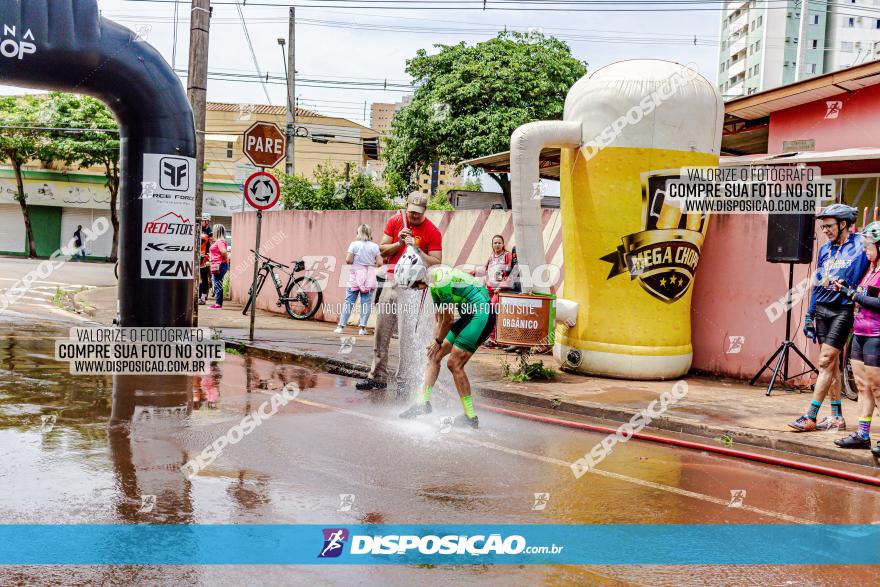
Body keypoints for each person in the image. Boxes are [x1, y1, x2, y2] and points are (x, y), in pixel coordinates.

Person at [790, 204, 868, 432]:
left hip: (843, 310)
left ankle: (810, 415)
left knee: (825, 361)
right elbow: (817, 282)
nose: (825, 230)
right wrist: (808, 315)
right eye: (822, 227)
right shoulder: (824, 250)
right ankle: (836, 417)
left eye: (829, 226)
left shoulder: (860, 244)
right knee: (831, 366)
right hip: (822, 309)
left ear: (843, 224)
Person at [356, 192, 442, 392]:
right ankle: (377, 376)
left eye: (419, 214)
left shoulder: (432, 231)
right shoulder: (396, 222)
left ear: (425, 211)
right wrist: (399, 243)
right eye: (412, 212)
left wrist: (417, 249)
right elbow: (382, 251)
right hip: (391, 282)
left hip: (414, 287)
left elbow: (437, 262)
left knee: (406, 337)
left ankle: (404, 380)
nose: (414, 217)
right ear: (406, 207)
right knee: (381, 331)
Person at [398, 265, 496, 429]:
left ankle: (470, 416)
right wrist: (434, 344)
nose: (414, 289)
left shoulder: (440, 279)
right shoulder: (432, 284)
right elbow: (440, 318)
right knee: (434, 356)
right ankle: (423, 403)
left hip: (482, 314)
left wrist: (438, 341)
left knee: (454, 364)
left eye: (413, 284)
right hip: (469, 315)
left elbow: (449, 319)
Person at [832, 221, 880, 456]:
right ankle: (863, 435)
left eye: (868, 245)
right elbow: (863, 295)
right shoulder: (870, 269)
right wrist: (846, 287)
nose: (864, 249)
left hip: (876, 335)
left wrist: (852, 294)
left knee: (878, 388)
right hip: (860, 333)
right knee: (862, 386)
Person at [335, 223, 383, 336]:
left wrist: (358, 261)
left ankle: (340, 327)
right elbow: (380, 262)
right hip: (369, 275)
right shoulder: (375, 246)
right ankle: (362, 328)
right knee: (366, 302)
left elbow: (348, 260)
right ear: (370, 233)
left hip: (355, 275)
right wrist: (370, 263)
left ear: (358, 233)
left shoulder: (354, 244)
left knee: (349, 301)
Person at [482, 234, 515, 348]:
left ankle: (493, 339)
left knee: (492, 311)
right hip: (489, 289)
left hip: (500, 290)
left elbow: (509, 272)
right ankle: (491, 338)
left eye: (499, 243)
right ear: (492, 245)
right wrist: (485, 283)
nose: (497, 245)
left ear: (503, 244)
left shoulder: (507, 255)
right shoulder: (491, 257)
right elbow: (484, 270)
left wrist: (500, 286)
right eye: (495, 243)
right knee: (489, 312)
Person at [208, 224, 229, 310]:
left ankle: (218, 304)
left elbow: (223, 252)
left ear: (217, 231)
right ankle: (218, 303)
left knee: (218, 284)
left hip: (219, 265)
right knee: (217, 284)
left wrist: (225, 260)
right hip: (218, 265)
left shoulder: (220, 241)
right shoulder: (218, 241)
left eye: (214, 230)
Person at [199, 215, 213, 305]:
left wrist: (210, 256)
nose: (201, 222)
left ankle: (203, 297)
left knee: (204, 277)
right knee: (198, 278)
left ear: (207, 221)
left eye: (202, 221)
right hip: (197, 256)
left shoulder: (210, 232)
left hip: (205, 257)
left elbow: (211, 245)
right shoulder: (198, 229)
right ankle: (199, 295)